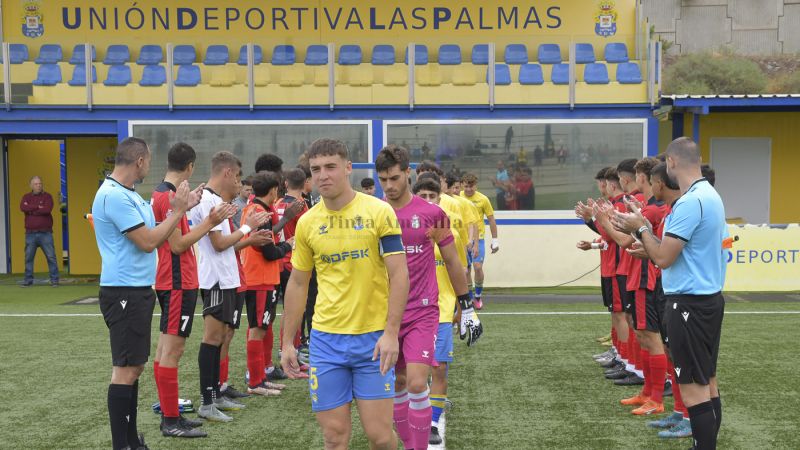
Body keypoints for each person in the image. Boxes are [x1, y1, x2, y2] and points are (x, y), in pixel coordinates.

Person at [280, 139, 410, 450]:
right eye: (316, 169)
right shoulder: (307, 223)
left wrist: (391, 333)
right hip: (326, 342)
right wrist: (287, 343)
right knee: (334, 436)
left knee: (380, 437)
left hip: (373, 340)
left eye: (330, 167)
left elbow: (399, 274)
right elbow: (298, 283)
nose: (323, 175)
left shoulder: (379, 212)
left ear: (348, 168)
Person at [613, 138, 727, 449]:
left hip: (689, 303)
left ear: (672, 163)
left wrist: (641, 228)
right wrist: (651, 247)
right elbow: (680, 253)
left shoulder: (690, 201)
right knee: (708, 383)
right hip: (707, 300)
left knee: (693, 391)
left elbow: (664, 258)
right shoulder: (710, 195)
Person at [92, 137, 201, 450]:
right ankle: (122, 445)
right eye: (148, 161)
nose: (149, 166)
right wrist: (178, 212)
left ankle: (130, 440)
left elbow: (157, 229)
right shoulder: (113, 195)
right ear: (139, 161)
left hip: (137, 290)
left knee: (134, 367)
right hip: (122, 291)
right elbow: (149, 241)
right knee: (125, 370)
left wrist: (184, 208)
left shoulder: (129, 195)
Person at [376, 146, 472, 450]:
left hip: (423, 310)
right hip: (386, 313)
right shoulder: (374, 213)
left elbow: (453, 261)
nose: (389, 185)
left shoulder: (433, 213)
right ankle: (409, 444)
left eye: (394, 178)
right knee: (398, 383)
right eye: (383, 179)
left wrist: (467, 305)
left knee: (418, 382)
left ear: (408, 172)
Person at [151, 143, 238, 438]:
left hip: (176, 280)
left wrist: (187, 207)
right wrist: (211, 221)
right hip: (177, 280)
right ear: (190, 166)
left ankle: (171, 414)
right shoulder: (168, 196)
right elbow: (177, 245)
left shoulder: (166, 194)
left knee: (165, 350)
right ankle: (171, 420)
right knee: (172, 351)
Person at [189, 151, 269, 422]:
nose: (238, 183)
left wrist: (247, 237)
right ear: (227, 173)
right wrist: (247, 228)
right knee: (212, 338)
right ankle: (207, 401)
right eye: (237, 177)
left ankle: (216, 395)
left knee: (222, 336)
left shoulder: (218, 201)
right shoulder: (207, 201)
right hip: (214, 279)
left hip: (226, 278)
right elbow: (218, 244)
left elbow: (227, 244)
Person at [241, 171, 293, 396]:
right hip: (259, 279)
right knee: (257, 330)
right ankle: (255, 382)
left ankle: (261, 377)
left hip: (260, 278)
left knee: (261, 327)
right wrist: (288, 245)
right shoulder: (259, 213)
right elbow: (269, 253)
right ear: (273, 190)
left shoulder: (254, 209)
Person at [460, 173, 499, 310]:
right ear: (462, 185)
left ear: (475, 186)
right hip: (462, 239)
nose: (468, 189)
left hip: (479, 239)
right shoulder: (458, 197)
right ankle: (470, 297)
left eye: (471, 186)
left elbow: (491, 219)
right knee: (465, 271)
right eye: (466, 186)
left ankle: (478, 296)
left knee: (477, 267)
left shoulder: (483, 199)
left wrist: (495, 240)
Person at [20, 175, 59, 287]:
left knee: (51, 257)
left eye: (40, 183)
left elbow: (47, 210)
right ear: (31, 186)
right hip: (30, 233)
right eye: (36, 184)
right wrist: (38, 206)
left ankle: (54, 280)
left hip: (45, 232)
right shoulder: (26, 197)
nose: (39, 186)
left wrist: (31, 209)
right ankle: (28, 280)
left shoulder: (48, 196)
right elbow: (23, 207)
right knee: (28, 258)